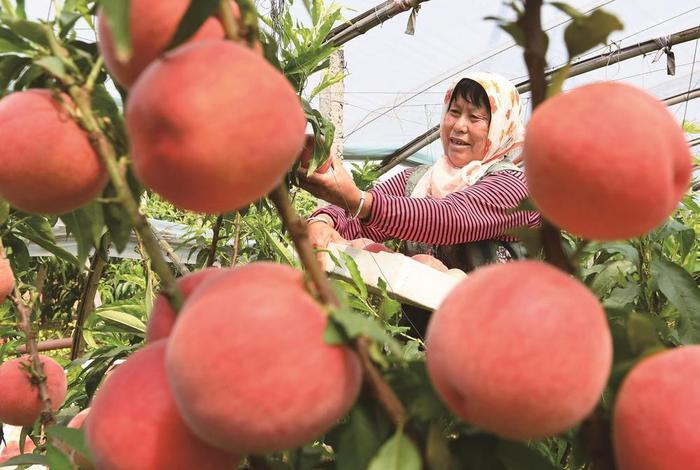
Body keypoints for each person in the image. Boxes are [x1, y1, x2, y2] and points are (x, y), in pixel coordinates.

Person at [299, 71, 540, 274]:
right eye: (454, 112)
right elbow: (357, 219)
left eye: (475, 117)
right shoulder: (419, 180)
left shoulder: (515, 187)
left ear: (500, 128)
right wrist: (323, 221)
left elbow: (451, 219)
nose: (458, 126)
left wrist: (357, 200)